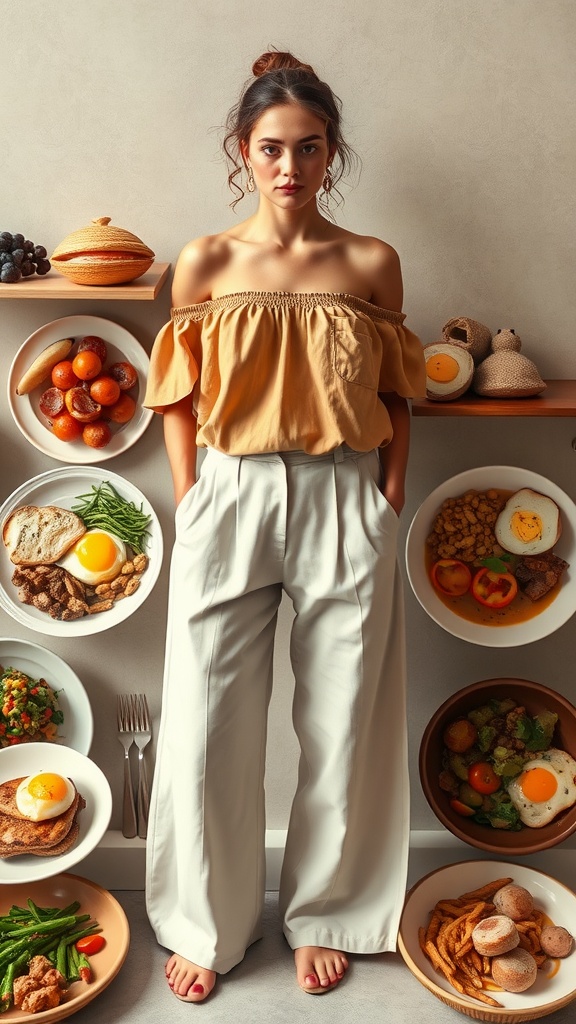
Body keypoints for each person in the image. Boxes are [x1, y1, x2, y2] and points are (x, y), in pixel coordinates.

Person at [143, 50, 426, 1004]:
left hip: (347, 494)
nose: (290, 168)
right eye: (271, 148)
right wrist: (192, 495)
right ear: (243, 151)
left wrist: (387, 496)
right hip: (231, 492)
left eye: (309, 149)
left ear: (332, 153)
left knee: (344, 721)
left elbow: (400, 389)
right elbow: (176, 392)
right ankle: (205, 920)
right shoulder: (208, 262)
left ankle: (329, 911)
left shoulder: (371, 261)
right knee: (207, 718)